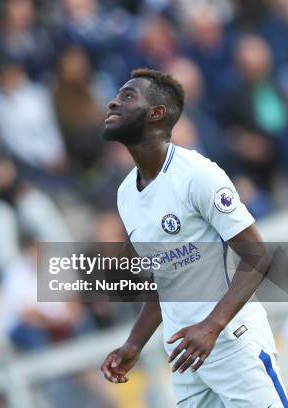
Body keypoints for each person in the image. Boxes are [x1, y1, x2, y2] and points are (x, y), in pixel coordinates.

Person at [99, 68, 285, 407]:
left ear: (156, 113)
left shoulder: (197, 174)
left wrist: (211, 327)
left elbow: (258, 256)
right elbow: (163, 280)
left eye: (127, 97)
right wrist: (134, 344)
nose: (113, 102)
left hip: (231, 342)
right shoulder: (126, 193)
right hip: (186, 359)